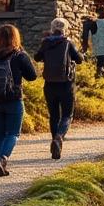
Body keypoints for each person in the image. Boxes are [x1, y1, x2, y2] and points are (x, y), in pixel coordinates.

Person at [0, 24, 37, 176]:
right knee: (13, 133)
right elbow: (32, 76)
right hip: (14, 98)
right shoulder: (19, 55)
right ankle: (1, 159)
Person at [35, 18, 82, 159]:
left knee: (54, 115)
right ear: (65, 29)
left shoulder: (46, 43)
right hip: (66, 84)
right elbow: (79, 59)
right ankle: (59, 138)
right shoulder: (68, 43)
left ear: (52, 28)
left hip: (49, 84)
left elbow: (37, 57)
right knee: (67, 115)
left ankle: (55, 142)